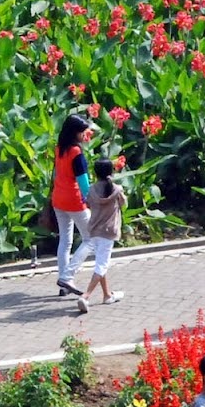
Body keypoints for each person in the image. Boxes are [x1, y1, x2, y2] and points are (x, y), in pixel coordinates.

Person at [72, 156, 125, 315]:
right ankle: (86, 296)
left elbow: (87, 203)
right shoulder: (116, 189)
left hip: (94, 230)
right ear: (112, 170)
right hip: (108, 232)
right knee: (101, 265)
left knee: (100, 262)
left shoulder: (92, 190)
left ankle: (107, 295)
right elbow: (123, 204)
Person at [48, 114, 93, 295]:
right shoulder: (76, 152)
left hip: (58, 199)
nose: (85, 135)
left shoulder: (59, 148)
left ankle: (64, 285)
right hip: (74, 201)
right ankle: (67, 276)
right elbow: (83, 182)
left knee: (65, 242)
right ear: (75, 133)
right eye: (83, 132)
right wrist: (91, 200)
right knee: (91, 240)